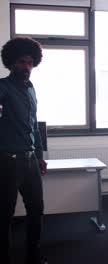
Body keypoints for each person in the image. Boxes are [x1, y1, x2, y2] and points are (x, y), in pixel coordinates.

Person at [0, 37, 48, 264]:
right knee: (4, 215)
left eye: (30, 62)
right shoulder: (2, 88)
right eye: (22, 62)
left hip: (30, 161)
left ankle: (33, 256)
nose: (26, 67)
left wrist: (39, 157)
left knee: (37, 209)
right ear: (11, 63)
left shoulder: (31, 89)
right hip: (8, 161)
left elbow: (34, 126)